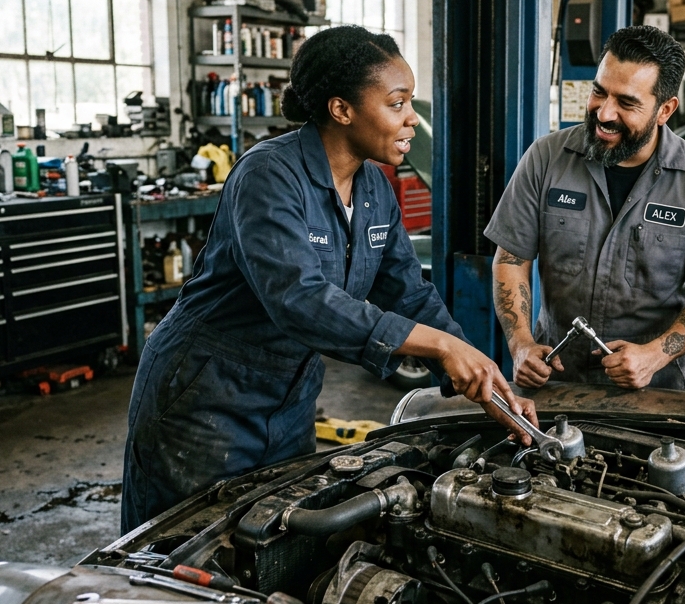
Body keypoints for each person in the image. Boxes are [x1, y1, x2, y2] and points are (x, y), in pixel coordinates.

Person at [121, 26, 535, 534]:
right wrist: (440, 346)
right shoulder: (269, 176)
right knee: (185, 555)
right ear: (342, 110)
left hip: (291, 400)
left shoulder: (373, 189)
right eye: (397, 103)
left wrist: (482, 378)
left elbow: (407, 290)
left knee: (272, 541)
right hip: (206, 396)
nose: (411, 119)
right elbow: (299, 298)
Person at [485, 25, 685, 391]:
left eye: (626, 103)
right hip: (556, 382)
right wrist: (520, 344)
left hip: (653, 393)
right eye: (599, 92)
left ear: (664, 109)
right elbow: (511, 259)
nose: (605, 113)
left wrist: (654, 355)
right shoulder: (546, 158)